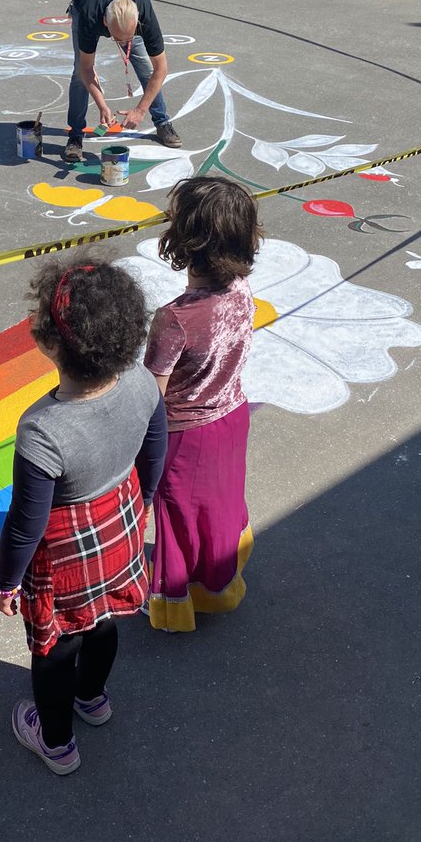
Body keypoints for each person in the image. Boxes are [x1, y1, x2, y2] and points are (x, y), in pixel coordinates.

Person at [0, 258, 168, 774]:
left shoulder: (42, 429)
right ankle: (92, 698)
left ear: (49, 343)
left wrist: (7, 580)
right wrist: (145, 499)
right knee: (106, 619)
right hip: (122, 520)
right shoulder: (140, 381)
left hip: (65, 555)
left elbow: (26, 522)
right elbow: (154, 450)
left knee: (55, 644)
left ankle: (57, 742)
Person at [143, 178, 263, 634]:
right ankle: (218, 583)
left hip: (185, 434)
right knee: (219, 507)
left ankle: (178, 605)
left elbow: (150, 394)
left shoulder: (175, 317)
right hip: (232, 414)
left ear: (185, 238)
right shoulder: (242, 287)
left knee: (177, 522)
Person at [64, 0, 182, 164]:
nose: (122, 44)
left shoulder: (144, 15)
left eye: (127, 38)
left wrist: (140, 110)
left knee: (145, 67)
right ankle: (75, 135)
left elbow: (160, 69)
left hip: (127, 0)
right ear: (104, 23)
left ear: (137, 24)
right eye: (117, 38)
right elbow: (86, 68)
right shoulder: (89, 17)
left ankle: (162, 123)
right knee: (78, 75)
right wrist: (102, 105)